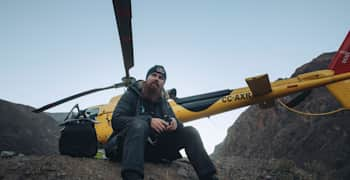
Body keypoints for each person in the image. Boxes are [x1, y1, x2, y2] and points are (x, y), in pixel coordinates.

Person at [107, 65, 218, 180]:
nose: (156, 79)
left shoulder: (163, 102)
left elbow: (177, 125)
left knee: (190, 132)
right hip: (126, 147)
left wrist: (175, 124)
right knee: (139, 125)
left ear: (163, 84)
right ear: (146, 79)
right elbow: (116, 120)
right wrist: (148, 120)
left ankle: (209, 176)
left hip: (152, 150)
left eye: (161, 78)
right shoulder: (131, 94)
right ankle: (132, 176)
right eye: (153, 75)